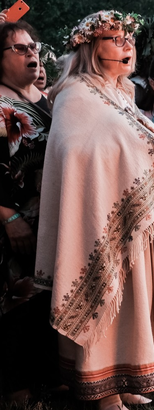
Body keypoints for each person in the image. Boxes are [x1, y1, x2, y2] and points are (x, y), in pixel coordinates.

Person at [35, 11, 154, 410]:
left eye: (129, 39)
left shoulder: (122, 93)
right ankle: (103, 391)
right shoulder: (75, 93)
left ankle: (126, 379)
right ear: (91, 47)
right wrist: (144, 148)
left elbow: (130, 144)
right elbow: (77, 153)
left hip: (134, 217)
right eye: (115, 39)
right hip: (100, 217)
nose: (127, 46)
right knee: (107, 297)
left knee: (133, 302)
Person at [0, 20, 57, 405]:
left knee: (43, 297)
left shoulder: (43, 98)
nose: (31, 52)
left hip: (46, 217)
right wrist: (7, 215)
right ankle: (12, 385)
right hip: (10, 220)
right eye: (20, 48)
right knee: (13, 299)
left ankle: (44, 376)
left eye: (33, 45)